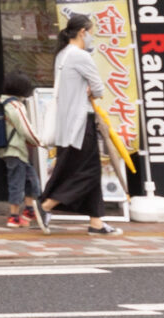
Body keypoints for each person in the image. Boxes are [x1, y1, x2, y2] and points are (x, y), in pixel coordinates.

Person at [38, 16, 120, 235]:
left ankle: (96, 223)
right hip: (81, 123)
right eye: (92, 31)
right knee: (89, 171)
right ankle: (46, 205)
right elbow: (99, 89)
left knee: (75, 168)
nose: (92, 36)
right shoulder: (81, 56)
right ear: (83, 32)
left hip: (66, 123)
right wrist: (91, 90)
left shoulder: (62, 55)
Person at [0, 71, 43, 229]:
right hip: (16, 150)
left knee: (31, 180)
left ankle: (29, 210)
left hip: (12, 151)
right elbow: (25, 129)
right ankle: (14, 217)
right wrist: (39, 141)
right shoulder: (15, 106)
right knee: (17, 182)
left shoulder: (2, 103)